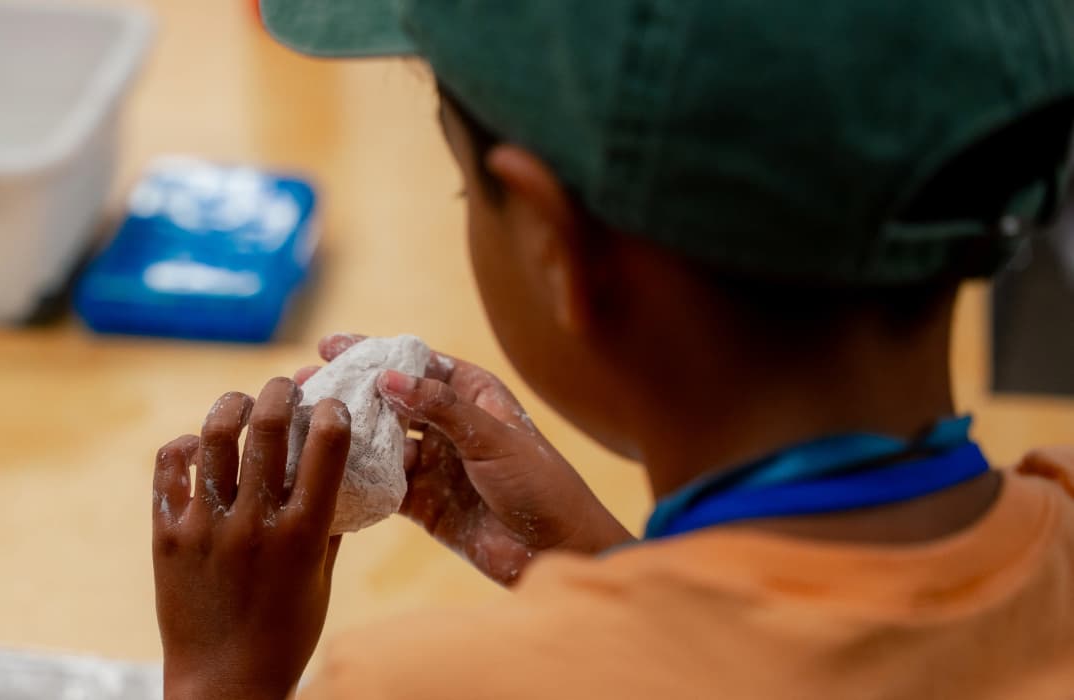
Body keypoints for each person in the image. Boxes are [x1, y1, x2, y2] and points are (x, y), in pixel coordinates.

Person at [150, 1, 1074, 697]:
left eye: (467, 196)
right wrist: (615, 572)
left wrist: (218, 679)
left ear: (559, 248)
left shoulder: (431, 686)